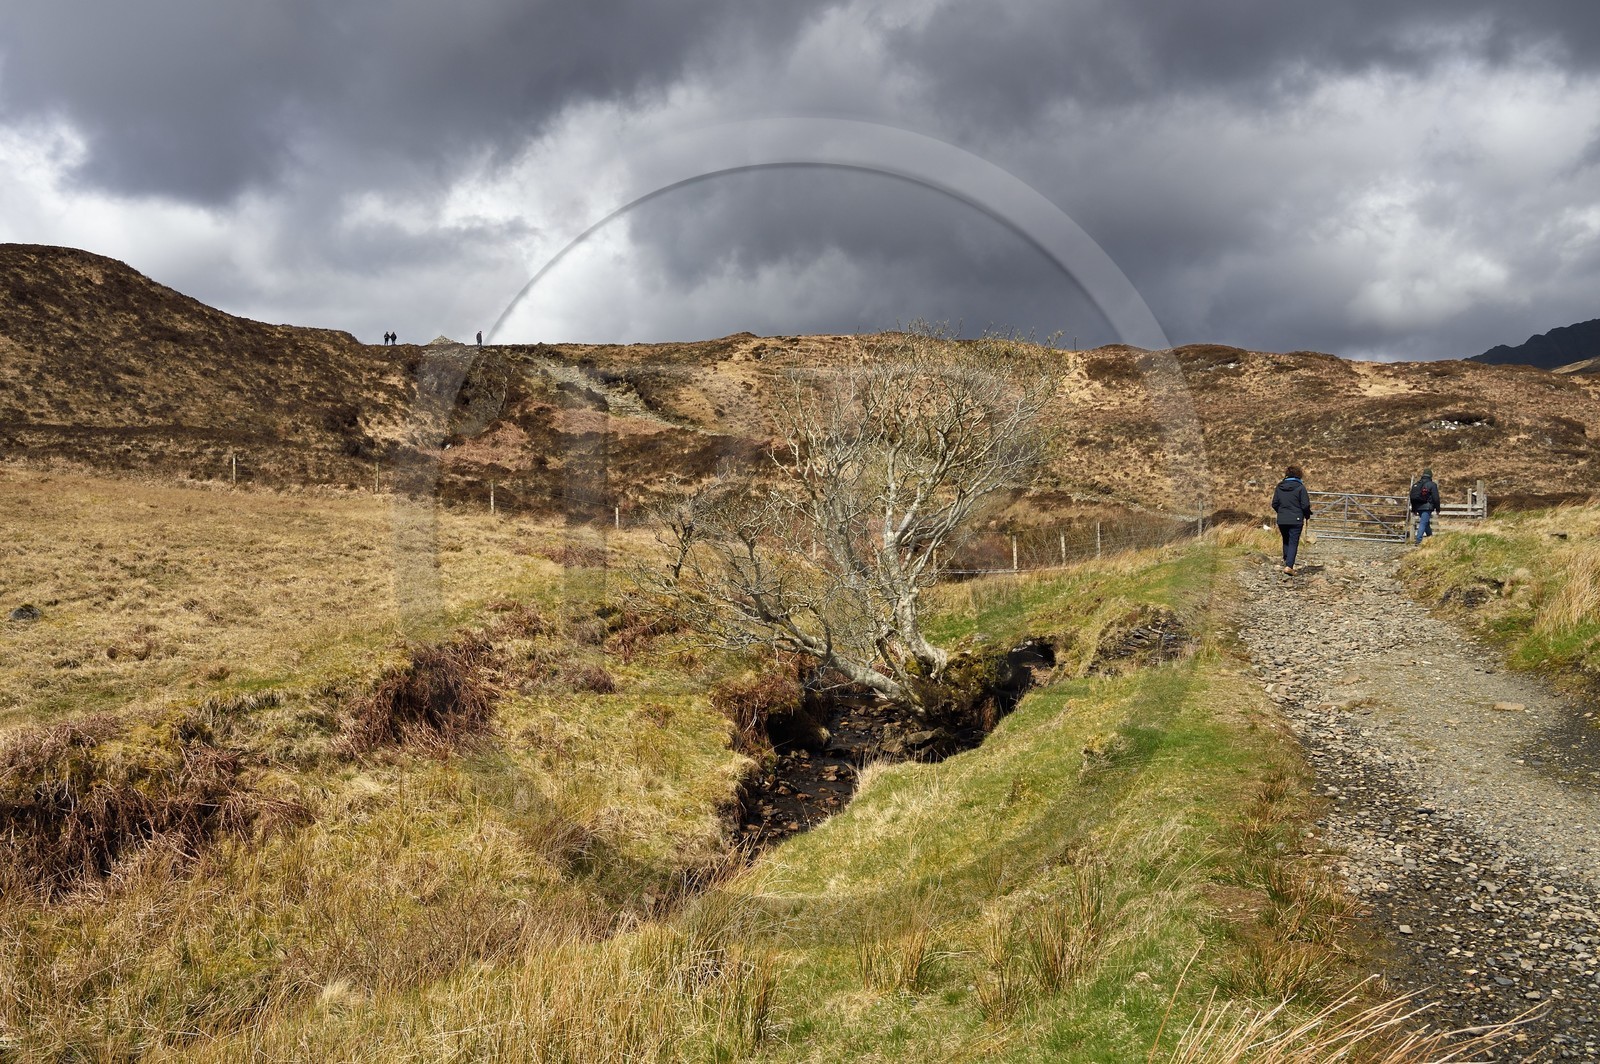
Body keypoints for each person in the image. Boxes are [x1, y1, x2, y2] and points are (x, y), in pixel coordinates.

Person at [1271, 464, 1313, 575]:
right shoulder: (1300, 487)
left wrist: (1281, 512)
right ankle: (1289, 566)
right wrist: (1307, 515)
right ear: (1299, 474)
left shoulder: (1279, 486)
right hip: (1296, 518)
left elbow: (1274, 503)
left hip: (1282, 518)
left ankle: (1286, 561)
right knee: (1293, 542)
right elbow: (1305, 505)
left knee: (1286, 540)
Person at [1410, 469, 1441, 544]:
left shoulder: (1417, 484)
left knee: (1425, 523)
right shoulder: (1432, 484)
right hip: (1427, 507)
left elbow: (1413, 497)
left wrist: (1414, 509)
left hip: (1418, 507)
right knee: (1423, 523)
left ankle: (1430, 537)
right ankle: (1418, 540)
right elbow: (1436, 498)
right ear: (1431, 475)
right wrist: (1437, 509)